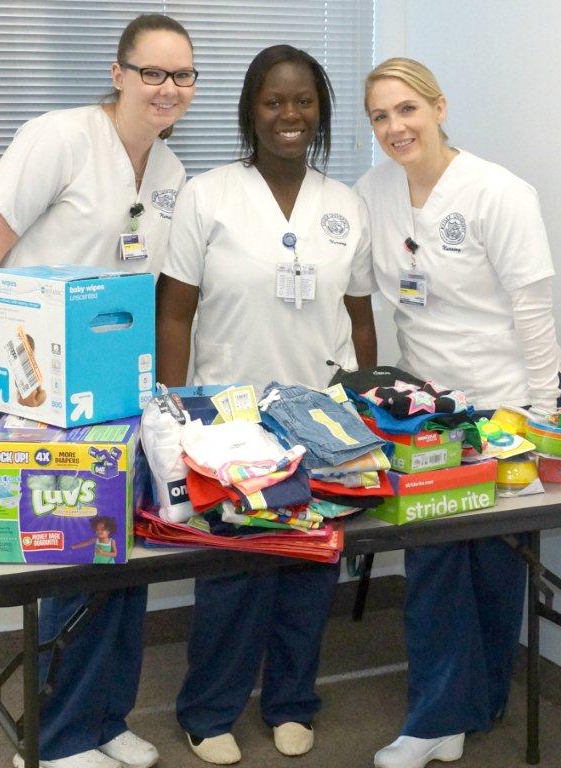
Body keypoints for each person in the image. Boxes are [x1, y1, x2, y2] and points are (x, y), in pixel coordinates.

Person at [0, 14, 196, 768]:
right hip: (33, 391)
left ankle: (100, 717)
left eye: (182, 75)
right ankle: (52, 743)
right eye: (152, 72)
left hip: (115, 395)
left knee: (117, 560)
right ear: (118, 73)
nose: (167, 88)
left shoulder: (170, 174)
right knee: (69, 558)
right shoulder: (55, 139)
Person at [156, 44, 376, 765]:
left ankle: (290, 701)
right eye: (273, 101)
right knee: (231, 574)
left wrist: (362, 410)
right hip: (227, 418)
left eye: (303, 101)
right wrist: (171, 408)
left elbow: (361, 316)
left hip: (317, 415)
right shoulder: (207, 194)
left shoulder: (344, 206)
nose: (289, 114)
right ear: (251, 111)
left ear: (320, 113)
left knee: (309, 567)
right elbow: (175, 312)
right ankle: (208, 711)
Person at [356, 58, 561, 768]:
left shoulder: (498, 193)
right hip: (427, 409)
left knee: (494, 563)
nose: (394, 127)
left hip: (503, 401)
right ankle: (435, 718)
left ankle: (473, 707)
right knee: (435, 561)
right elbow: (364, 293)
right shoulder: (373, 192)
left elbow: (532, 309)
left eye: (406, 110)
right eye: (380, 116)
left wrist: (541, 414)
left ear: (438, 107)